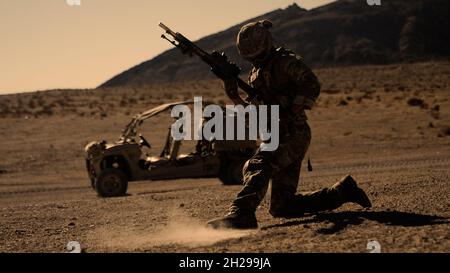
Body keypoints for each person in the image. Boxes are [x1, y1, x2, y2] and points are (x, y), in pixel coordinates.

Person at [207, 20, 372, 229]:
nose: (255, 58)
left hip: (294, 132)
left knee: (258, 164)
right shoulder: (256, 74)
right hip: (276, 134)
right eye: (251, 55)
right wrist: (234, 97)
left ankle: (242, 213)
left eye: (257, 53)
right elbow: (254, 113)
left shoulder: (285, 62)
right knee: (282, 207)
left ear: (266, 43)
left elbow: (311, 83)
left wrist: (289, 110)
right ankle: (341, 192)